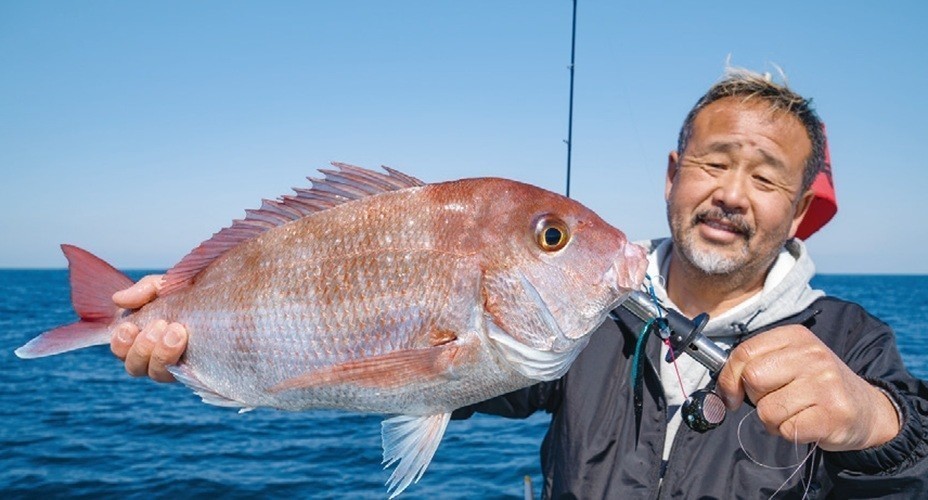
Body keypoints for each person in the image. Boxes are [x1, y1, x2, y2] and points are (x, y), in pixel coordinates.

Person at [110, 68, 928, 497]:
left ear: (799, 212)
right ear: (674, 176)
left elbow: (914, 455)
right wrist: (190, 321)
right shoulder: (592, 325)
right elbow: (454, 380)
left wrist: (875, 420)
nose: (730, 192)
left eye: (766, 176)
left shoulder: (848, 339)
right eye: (713, 163)